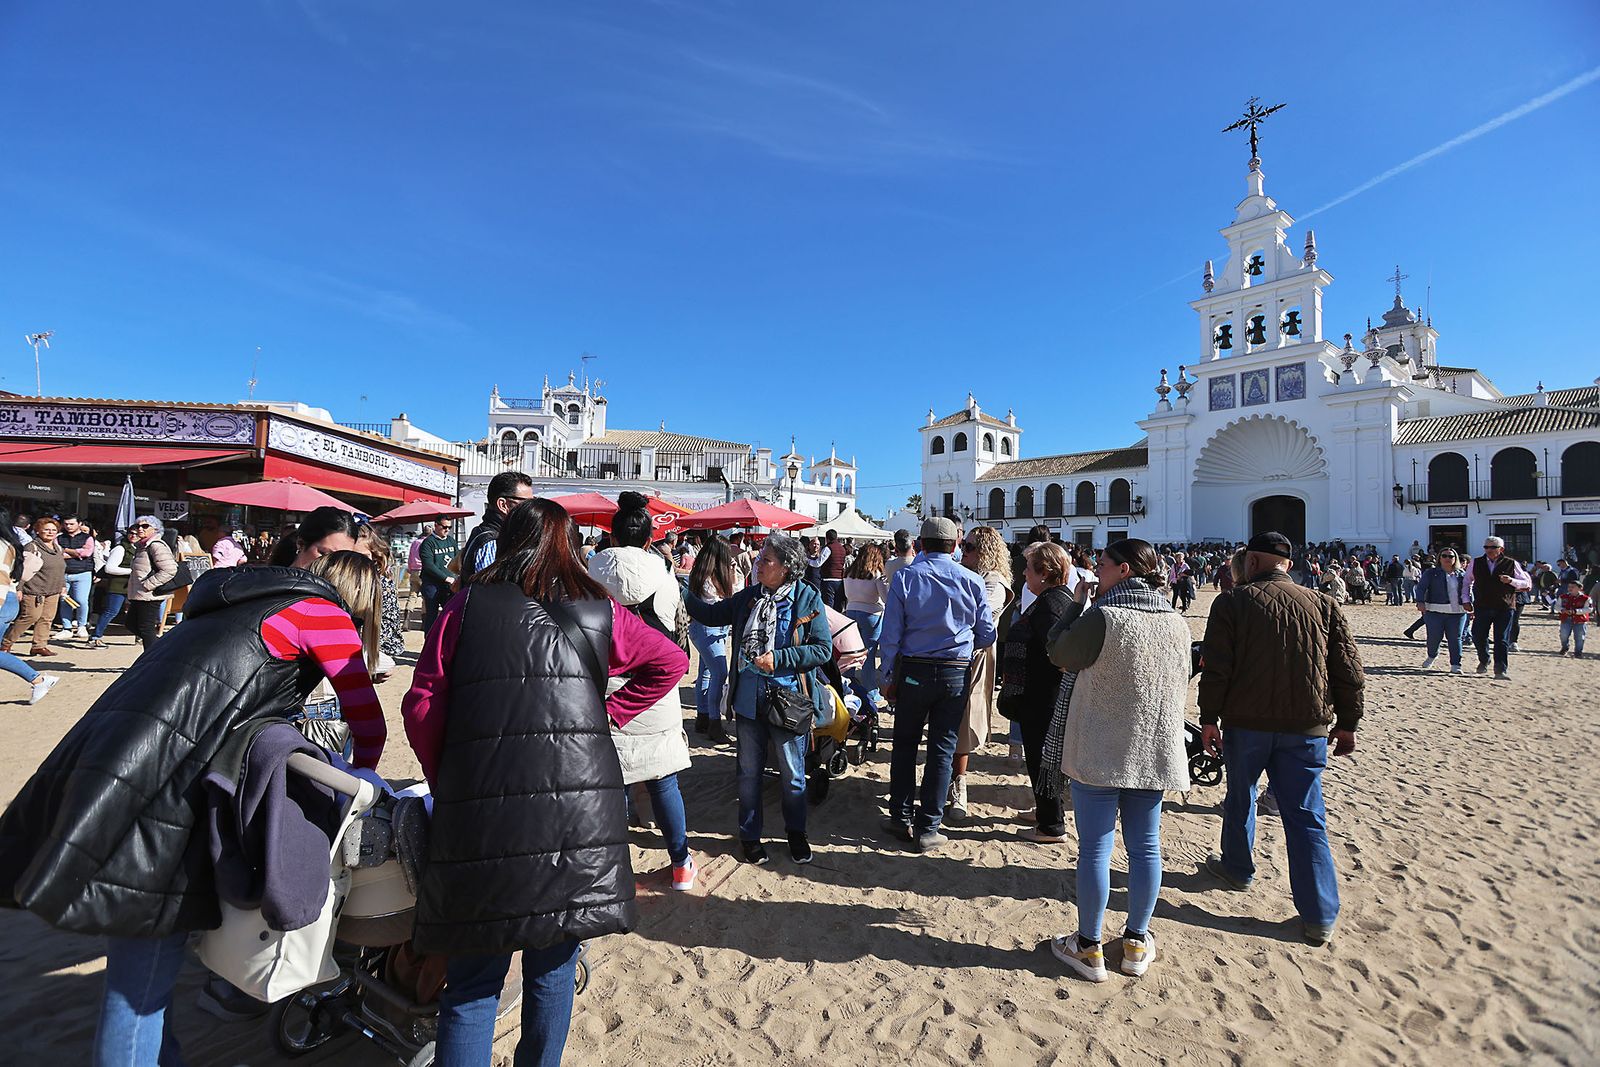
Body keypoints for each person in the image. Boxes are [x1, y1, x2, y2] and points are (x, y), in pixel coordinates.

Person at [0, 558, 385, 1066]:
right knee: (140, 984)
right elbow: (366, 719)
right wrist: (365, 783)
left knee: (142, 966)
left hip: (121, 768)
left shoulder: (227, 603)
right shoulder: (320, 614)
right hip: (168, 796)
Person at [402, 498, 685, 1067]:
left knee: (472, 984)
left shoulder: (464, 607)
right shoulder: (598, 610)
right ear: (569, 544)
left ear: (509, 540)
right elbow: (670, 661)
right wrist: (610, 714)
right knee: (553, 969)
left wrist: (449, 778)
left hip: (482, 813)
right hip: (575, 817)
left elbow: (421, 704)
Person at [1198, 531, 1365, 946]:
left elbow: (1217, 666)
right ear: (1288, 565)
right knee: (1307, 816)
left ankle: (1237, 868)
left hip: (1247, 724)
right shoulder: (1324, 603)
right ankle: (1319, 915)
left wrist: (1208, 718)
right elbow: (1347, 669)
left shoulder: (1232, 601)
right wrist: (1348, 723)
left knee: (1241, 796)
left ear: (1251, 563)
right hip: (1305, 728)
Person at [1046, 538, 1191, 981]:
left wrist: (1076, 606)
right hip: (1152, 748)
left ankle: (1089, 945)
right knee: (1146, 847)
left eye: (1104, 565)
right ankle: (1135, 940)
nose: (1097, 571)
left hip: (1100, 749)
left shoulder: (1105, 618)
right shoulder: (1176, 621)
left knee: (1095, 847)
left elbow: (1058, 651)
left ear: (1124, 571)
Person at [685, 533, 831, 865]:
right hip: (749, 700)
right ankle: (750, 837)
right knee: (748, 774)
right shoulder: (749, 597)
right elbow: (710, 616)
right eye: (760, 557)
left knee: (793, 775)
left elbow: (821, 649)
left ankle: (796, 834)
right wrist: (675, 586)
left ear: (787, 568)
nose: (757, 563)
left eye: (766, 560)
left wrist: (779, 659)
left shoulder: (807, 598)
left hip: (787, 703)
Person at [588, 493, 696, 887]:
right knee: (663, 779)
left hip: (603, 688)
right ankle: (681, 862)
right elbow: (676, 632)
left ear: (611, 537)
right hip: (654, 686)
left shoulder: (589, 573)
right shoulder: (665, 576)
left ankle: (615, 870)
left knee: (611, 783)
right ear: (650, 539)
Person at [878, 517, 997, 852]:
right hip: (954, 672)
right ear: (955, 545)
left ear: (920, 544)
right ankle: (928, 826)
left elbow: (891, 635)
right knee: (941, 749)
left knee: (904, 744)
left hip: (914, 670)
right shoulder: (973, 580)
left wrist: (887, 676)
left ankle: (900, 817)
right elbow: (987, 634)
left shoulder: (905, 577)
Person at [998, 541, 1074, 843]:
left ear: (1044, 572)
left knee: (1043, 759)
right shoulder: (1055, 599)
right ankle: (1046, 812)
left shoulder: (1052, 606)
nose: (1023, 574)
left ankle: (1051, 825)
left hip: (1043, 697)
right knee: (1043, 758)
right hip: (1042, 695)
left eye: (1028, 569)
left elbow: (1059, 655)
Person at [949, 527, 1012, 820]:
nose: (964, 552)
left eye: (970, 547)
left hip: (974, 657)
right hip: (952, 653)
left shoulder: (993, 583)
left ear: (985, 551)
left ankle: (958, 785)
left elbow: (977, 619)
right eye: (964, 546)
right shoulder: (962, 574)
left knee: (964, 722)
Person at [0, 509, 59, 703]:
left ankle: (38, 679)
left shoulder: (3, 546)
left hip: (2, 600)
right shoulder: (12, 545)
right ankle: (39, 679)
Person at [687, 534, 740, 745]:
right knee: (720, 673)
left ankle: (702, 717)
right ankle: (714, 723)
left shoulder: (702, 573)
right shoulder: (709, 579)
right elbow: (726, 602)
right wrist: (733, 578)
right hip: (709, 629)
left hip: (705, 630)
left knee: (706, 672)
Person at [1465, 535, 1531, 680]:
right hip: (1482, 605)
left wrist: (1511, 581)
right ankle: (1484, 659)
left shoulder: (1511, 563)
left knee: (1501, 639)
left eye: (1493, 547)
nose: (1489, 550)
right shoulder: (1476, 562)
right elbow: (1466, 582)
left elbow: (1526, 583)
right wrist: (1465, 599)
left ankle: (1500, 669)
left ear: (1501, 549)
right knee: (1478, 635)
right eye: (1486, 547)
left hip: (1505, 606)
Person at [2, 517, 67, 660]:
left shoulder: (58, 548)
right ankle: (5, 644)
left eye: (53, 530)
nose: (50, 532)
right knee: (30, 616)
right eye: (46, 530)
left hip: (53, 589)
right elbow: (23, 569)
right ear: (38, 531)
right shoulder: (32, 546)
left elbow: (60, 569)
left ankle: (39, 645)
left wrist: (62, 585)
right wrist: (18, 588)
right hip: (34, 589)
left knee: (47, 618)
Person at [460, 469, 535, 581]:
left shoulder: (497, 535)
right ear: (503, 505)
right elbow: (489, 591)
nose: (531, 508)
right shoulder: (492, 542)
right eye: (526, 503)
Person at [842, 543, 890, 710]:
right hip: (872, 615)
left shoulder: (849, 573)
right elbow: (886, 598)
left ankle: (847, 685)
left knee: (850, 653)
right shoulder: (876, 574)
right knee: (868, 656)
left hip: (851, 612)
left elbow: (846, 594)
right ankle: (870, 690)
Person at [125, 516, 179, 654]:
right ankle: (159, 650)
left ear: (155, 529)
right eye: (138, 526)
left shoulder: (156, 545)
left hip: (150, 595)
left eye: (145, 526)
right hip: (139, 594)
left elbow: (170, 569)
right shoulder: (142, 546)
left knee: (145, 628)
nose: (140, 529)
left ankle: (152, 659)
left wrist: (148, 585)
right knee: (131, 624)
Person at [1414, 548, 1471, 673]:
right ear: (1439, 558)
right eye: (1444, 556)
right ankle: (1432, 655)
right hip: (1435, 610)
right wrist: (1420, 602)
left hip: (1457, 612)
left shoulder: (1462, 574)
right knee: (1434, 637)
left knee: (1456, 638)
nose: (1447, 558)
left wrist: (1471, 606)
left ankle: (1456, 664)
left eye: (1450, 556)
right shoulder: (1431, 573)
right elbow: (1421, 588)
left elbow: (1468, 591)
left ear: (1455, 559)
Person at [268, 506, 361, 569]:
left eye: (345, 558)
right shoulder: (274, 585)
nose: (334, 564)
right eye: (324, 554)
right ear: (300, 544)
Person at [89, 529, 135, 649]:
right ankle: (95, 637)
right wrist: (132, 571)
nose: (134, 536)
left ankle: (140, 636)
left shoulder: (141, 548)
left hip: (135, 586)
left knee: (137, 612)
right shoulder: (120, 549)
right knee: (111, 611)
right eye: (131, 533)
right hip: (118, 585)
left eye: (137, 534)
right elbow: (109, 568)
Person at [53, 515, 97, 641]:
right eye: (66, 524)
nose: (68, 526)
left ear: (79, 523)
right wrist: (76, 553)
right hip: (63, 572)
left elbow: (86, 552)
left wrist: (66, 550)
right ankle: (66, 628)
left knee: (81, 600)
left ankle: (81, 625)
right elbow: (56, 553)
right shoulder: (59, 537)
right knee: (64, 600)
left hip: (82, 573)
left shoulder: (87, 537)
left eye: (72, 524)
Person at [417, 518, 459, 633]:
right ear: (436, 525)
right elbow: (429, 565)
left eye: (449, 527)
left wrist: (457, 576)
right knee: (432, 615)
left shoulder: (451, 541)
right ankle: (429, 642)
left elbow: (457, 559)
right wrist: (446, 578)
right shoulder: (428, 543)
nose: (447, 530)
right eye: (444, 527)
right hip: (432, 584)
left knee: (451, 614)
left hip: (449, 585)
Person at [1558, 577, 1591, 657]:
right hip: (1566, 619)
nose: (1570, 589)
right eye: (1569, 587)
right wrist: (1562, 610)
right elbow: (1557, 606)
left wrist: (1576, 611)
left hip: (1580, 620)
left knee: (1580, 637)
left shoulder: (1586, 598)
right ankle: (1565, 647)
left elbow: (1589, 609)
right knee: (1563, 635)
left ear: (1580, 588)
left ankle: (1578, 652)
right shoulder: (1563, 597)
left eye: (1573, 587)